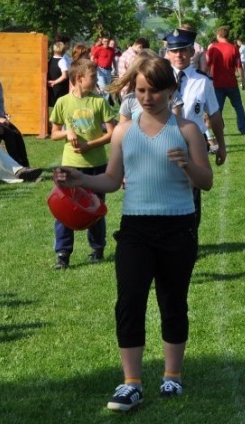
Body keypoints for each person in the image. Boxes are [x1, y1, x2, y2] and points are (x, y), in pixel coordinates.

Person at [53, 56, 213, 412]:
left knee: (173, 302)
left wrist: (187, 165)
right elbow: (111, 180)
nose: (146, 97)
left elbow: (207, 181)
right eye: (140, 90)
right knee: (129, 304)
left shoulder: (187, 130)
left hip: (178, 227)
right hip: (135, 229)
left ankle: (172, 376)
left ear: (171, 91)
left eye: (154, 90)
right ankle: (132, 384)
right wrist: (80, 179)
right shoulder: (125, 131)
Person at [49, 59, 118, 269]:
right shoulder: (63, 102)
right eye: (93, 77)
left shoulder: (99, 102)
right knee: (65, 211)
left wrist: (90, 145)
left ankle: (97, 248)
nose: (96, 80)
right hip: (71, 165)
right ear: (79, 79)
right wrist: (67, 132)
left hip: (96, 165)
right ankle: (63, 254)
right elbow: (53, 134)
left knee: (94, 209)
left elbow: (112, 132)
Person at [164, 28, 226, 227]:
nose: (179, 55)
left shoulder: (203, 82)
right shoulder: (160, 79)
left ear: (192, 52)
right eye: (174, 51)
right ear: (168, 53)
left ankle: (190, 238)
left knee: (192, 192)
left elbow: (215, 116)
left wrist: (221, 146)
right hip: (165, 143)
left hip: (195, 144)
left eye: (183, 50)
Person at [205, 26, 245, 136]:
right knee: (238, 107)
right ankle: (244, 129)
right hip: (231, 83)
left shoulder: (213, 49)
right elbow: (239, 66)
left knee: (217, 109)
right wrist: (243, 81)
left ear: (218, 35)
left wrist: (205, 80)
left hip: (217, 84)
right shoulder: (234, 48)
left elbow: (206, 66)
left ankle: (219, 129)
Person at [48, 41, 71, 108]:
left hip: (53, 87)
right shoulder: (62, 61)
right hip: (60, 87)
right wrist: (54, 82)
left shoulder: (51, 60)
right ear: (64, 50)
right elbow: (64, 76)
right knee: (61, 106)